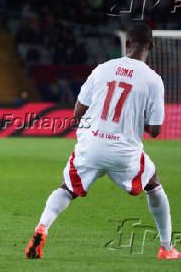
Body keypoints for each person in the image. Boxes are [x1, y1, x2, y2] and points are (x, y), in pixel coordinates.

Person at [25, 23, 180, 260]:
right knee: (154, 187)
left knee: (67, 188)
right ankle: (167, 248)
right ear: (150, 46)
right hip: (123, 151)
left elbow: (78, 113)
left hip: (92, 145)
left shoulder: (102, 69)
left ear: (127, 43)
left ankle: (42, 228)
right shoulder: (153, 80)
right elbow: (156, 130)